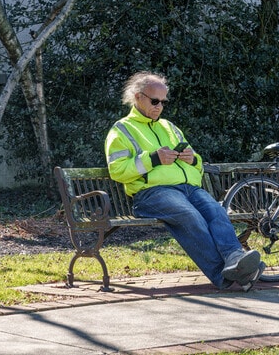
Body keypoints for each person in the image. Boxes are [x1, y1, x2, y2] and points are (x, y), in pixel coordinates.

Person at [105, 71, 264, 291]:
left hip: (188, 189)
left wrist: (192, 159)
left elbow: (197, 163)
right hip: (151, 194)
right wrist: (153, 158)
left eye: (163, 102)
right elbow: (117, 170)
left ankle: (236, 259)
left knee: (216, 212)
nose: (159, 106)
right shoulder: (122, 129)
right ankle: (226, 276)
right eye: (154, 101)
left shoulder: (170, 128)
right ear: (138, 97)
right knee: (190, 216)